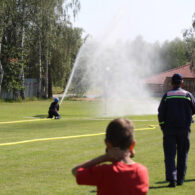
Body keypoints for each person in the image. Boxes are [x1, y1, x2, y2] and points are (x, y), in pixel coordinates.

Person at [72, 118, 149, 195]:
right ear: (132, 144)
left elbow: (75, 171)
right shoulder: (142, 171)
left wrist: (104, 157)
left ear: (107, 144)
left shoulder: (105, 171)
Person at [158, 73, 195, 187]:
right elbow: (194, 109)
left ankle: (172, 179)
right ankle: (180, 180)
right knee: (183, 154)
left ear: (171, 83)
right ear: (182, 83)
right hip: (184, 129)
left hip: (169, 130)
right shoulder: (188, 95)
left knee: (169, 155)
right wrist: (187, 116)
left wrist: (163, 126)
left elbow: (161, 113)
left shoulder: (167, 95)